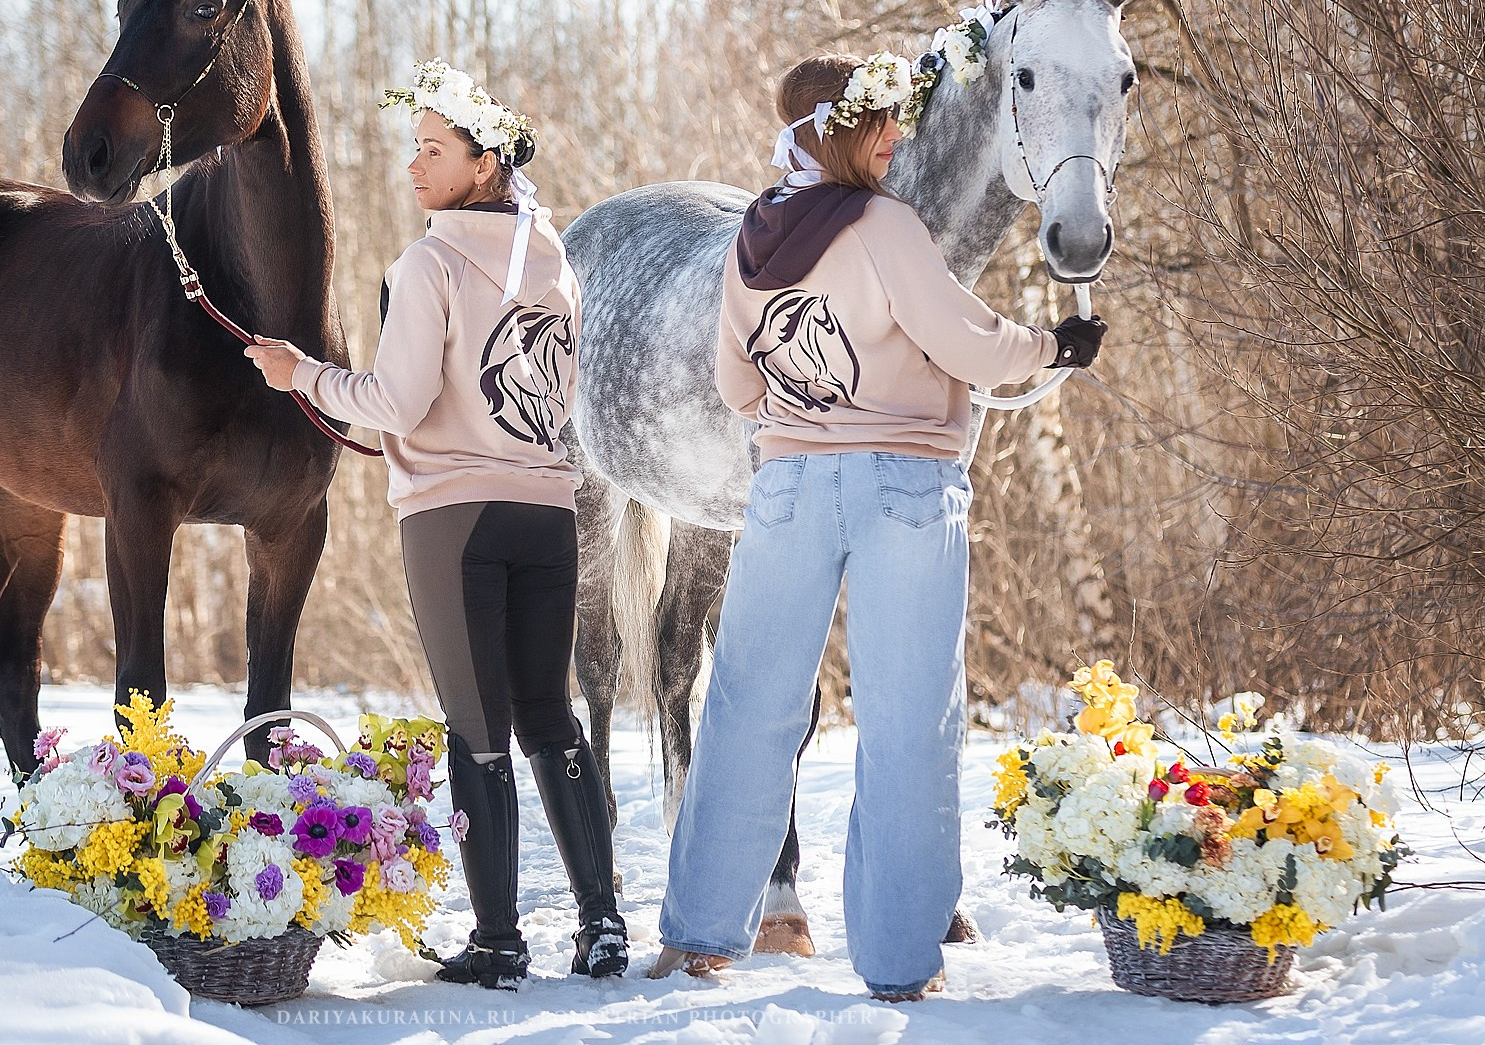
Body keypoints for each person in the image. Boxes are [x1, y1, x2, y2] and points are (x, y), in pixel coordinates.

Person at [648, 54, 1106, 1000]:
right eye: (882, 126)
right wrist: (1054, 345)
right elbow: (964, 339)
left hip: (786, 485)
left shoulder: (755, 232)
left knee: (746, 704)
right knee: (906, 717)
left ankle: (698, 932)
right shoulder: (886, 224)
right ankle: (899, 960)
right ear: (840, 131)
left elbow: (738, 384)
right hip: (903, 484)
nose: (897, 139)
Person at [245, 60, 626, 989]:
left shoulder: (429, 262)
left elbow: (399, 402)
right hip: (546, 511)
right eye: (412, 148)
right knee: (551, 719)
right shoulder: (558, 261)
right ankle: (603, 923)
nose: (413, 167)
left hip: (454, 520)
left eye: (433, 150)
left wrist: (304, 375)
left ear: (485, 161)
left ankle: (498, 941)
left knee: (478, 725)